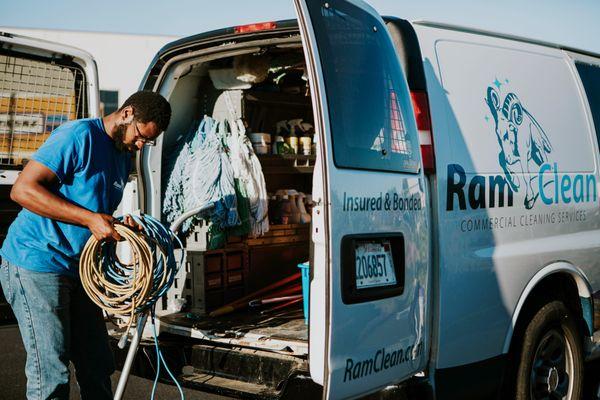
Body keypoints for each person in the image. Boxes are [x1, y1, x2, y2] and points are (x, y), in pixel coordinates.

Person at [0, 91, 171, 400]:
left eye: (148, 142)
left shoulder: (121, 153)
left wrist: (119, 224)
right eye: (140, 136)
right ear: (127, 113)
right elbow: (23, 190)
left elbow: (95, 210)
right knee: (51, 373)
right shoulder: (78, 136)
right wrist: (92, 220)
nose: (141, 145)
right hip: (38, 261)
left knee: (96, 363)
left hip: (80, 270)